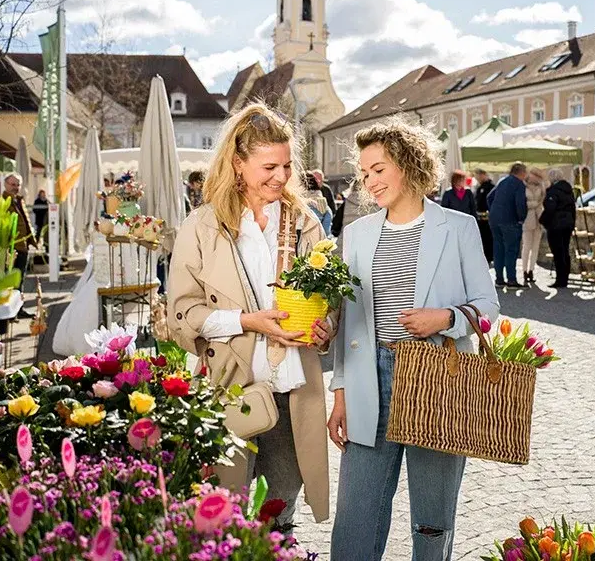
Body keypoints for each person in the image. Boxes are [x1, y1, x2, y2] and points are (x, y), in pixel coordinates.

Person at [328, 116, 499, 561]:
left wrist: (445, 317)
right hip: (371, 379)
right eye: (365, 173)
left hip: (437, 377)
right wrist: (340, 394)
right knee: (356, 515)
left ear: (407, 163)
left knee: (432, 518)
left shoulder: (458, 228)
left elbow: (489, 307)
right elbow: (349, 323)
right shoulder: (356, 236)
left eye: (379, 169)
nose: (370, 181)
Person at [167, 103, 335, 528]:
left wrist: (325, 326)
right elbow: (181, 313)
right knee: (224, 517)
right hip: (229, 389)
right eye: (268, 167)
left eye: (286, 165)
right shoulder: (203, 226)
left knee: (278, 516)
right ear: (238, 164)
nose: (280, 176)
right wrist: (246, 321)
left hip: (293, 391)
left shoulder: (305, 224)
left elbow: (328, 300)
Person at [487, 163, 528, 288]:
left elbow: (489, 197)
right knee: (511, 250)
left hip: (495, 219)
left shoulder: (502, 181)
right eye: (525, 172)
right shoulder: (518, 184)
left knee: (498, 248)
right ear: (520, 172)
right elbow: (520, 203)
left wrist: (494, 211)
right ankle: (511, 280)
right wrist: (521, 218)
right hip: (510, 220)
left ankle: (499, 279)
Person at [3, 174, 37, 321]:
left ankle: (19, 308)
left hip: (23, 245)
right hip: (12, 247)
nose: (15, 187)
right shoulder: (2, 201)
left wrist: (31, 240)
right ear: (5, 184)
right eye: (13, 184)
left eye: (17, 184)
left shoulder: (19, 200)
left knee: (20, 279)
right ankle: (11, 311)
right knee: (12, 280)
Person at [541, 169, 576, 289]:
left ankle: (560, 280)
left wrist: (543, 221)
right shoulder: (568, 190)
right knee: (565, 251)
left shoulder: (553, 191)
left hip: (556, 225)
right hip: (567, 224)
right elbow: (573, 209)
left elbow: (550, 209)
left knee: (557, 252)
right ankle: (565, 278)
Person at [521, 167, 546, 284]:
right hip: (528, 217)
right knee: (526, 246)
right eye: (534, 175)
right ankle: (524, 271)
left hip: (539, 217)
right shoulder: (523, 186)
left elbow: (543, 199)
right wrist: (533, 204)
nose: (535, 177)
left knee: (536, 246)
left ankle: (531, 270)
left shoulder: (541, 186)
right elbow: (521, 202)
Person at [473, 168, 495, 265]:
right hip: (480, 218)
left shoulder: (491, 187)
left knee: (488, 238)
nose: (477, 178)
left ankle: (489, 257)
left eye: (478, 175)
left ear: (483, 175)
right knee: (481, 238)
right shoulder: (479, 187)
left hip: (488, 218)